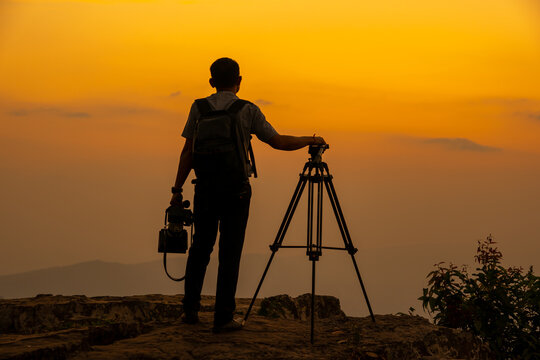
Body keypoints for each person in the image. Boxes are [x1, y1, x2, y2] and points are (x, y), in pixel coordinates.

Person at [170, 57, 325, 333]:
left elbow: (188, 151)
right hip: (236, 192)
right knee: (230, 253)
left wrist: (177, 189)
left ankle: (190, 311)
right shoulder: (247, 110)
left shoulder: (199, 108)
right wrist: (310, 140)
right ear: (239, 82)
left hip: (204, 189)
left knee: (200, 250)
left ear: (211, 82)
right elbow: (278, 142)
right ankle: (223, 318)